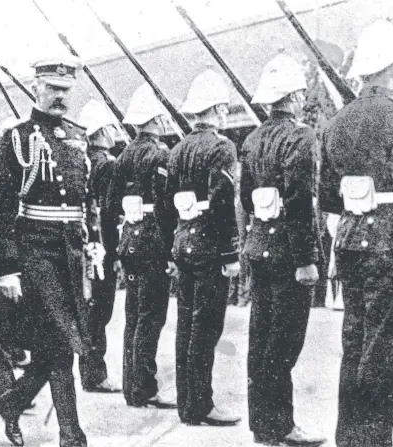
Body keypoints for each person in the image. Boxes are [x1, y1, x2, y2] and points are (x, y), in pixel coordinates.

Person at [0, 57, 102, 447]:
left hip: (71, 255)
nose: (60, 97)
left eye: (66, 90)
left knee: (61, 343)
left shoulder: (77, 137)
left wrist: (94, 241)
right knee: (59, 341)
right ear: (36, 88)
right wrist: (6, 268)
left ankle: (13, 401)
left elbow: (87, 200)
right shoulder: (18, 138)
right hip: (37, 253)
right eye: (53, 88)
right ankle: (72, 435)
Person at [320, 20, 393, 447]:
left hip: (349, 242)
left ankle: (350, 439)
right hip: (388, 245)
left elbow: (327, 197)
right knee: (381, 357)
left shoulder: (336, 124)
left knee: (355, 346)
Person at [241, 53, 325, 446]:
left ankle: (262, 425)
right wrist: (307, 260)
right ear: (292, 96)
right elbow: (300, 202)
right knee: (284, 344)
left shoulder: (252, 139)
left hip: (259, 248)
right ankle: (280, 426)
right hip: (290, 255)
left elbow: (245, 199)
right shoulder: (301, 137)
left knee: (260, 340)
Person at [168, 69, 241, 426]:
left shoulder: (178, 149)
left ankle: (187, 403)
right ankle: (201, 403)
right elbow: (223, 200)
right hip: (211, 245)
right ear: (216, 109)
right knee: (206, 327)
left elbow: (167, 201)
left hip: (183, 241)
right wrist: (230, 253)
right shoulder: (221, 147)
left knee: (185, 324)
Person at [105, 83, 178, 409]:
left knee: (133, 316)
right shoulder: (160, 155)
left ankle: (131, 388)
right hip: (152, 243)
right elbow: (166, 208)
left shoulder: (122, 157)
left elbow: (110, 205)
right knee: (150, 318)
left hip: (129, 238)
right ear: (156, 120)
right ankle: (144, 388)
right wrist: (170, 249)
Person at [76, 99, 121, 393]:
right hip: (102, 246)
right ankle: (95, 374)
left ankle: (89, 371)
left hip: (85, 245)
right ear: (103, 131)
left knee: (88, 310)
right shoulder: (107, 165)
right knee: (100, 312)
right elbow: (110, 211)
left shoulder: (83, 161)